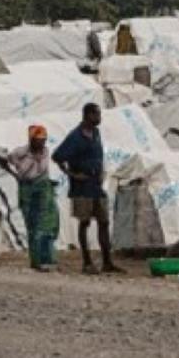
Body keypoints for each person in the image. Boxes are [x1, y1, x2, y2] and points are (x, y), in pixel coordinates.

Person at [52, 103, 122, 275]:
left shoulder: (96, 133)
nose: (99, 118)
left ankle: (107, 261)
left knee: (104, 222)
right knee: (84, 222)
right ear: (88, 115)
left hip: (96, 185)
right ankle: (87, 262)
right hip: (82, 186)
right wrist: (73, 175)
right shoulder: (75, 137)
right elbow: (57, 156)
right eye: (96, 114)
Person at [0, 125, 60, 271]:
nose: (42, 143)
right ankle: (37, 261)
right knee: (33, 224)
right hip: (27, 188)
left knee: (48, 224)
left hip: (44, 187)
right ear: (31, 140)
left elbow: (43, 170)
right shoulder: (21, 152)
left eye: (43, 140)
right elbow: (2, 160)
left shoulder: (45, 151)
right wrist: (15, 175)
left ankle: (49, 259)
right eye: (38, 140)